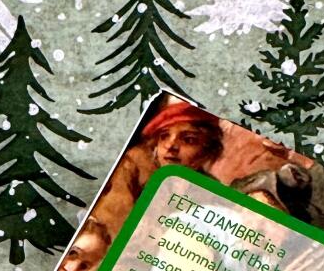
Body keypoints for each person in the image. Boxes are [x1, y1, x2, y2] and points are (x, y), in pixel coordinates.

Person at [92, 100, 225, 241]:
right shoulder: (136, 163)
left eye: (188, 140)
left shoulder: (210, 188)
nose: (170, 146)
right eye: (164, 136)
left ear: (207, 150)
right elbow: (112, 217)